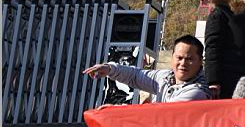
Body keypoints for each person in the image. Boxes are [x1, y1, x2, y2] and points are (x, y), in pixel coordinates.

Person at [82, 35, 210, 103]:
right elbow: (135, 76)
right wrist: (110, 69)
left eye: (189, 59)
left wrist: (118, 112)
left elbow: (164, 114)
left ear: (200, 62)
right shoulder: (164, 77)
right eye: (179, 58)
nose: (183, 63)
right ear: (172, 58)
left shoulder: (198, 92)